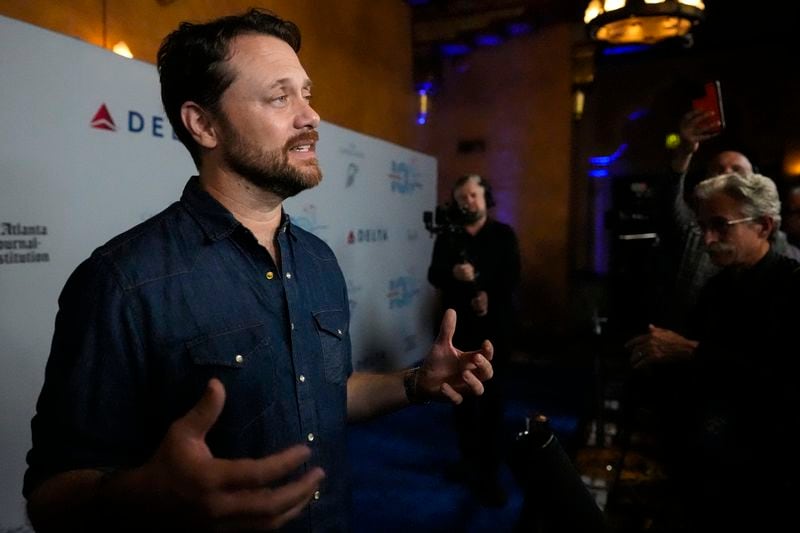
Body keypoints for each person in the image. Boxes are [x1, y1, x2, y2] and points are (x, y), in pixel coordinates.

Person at [23, 9, 495, 532]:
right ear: (203, 124)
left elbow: (322, 393)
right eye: (279, 97)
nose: (311, 116)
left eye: (307, 94)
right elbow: (50, 495)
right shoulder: (121, 282)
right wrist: (142, 496)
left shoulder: (318, 259)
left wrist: (414, 383)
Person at [626, 172, 800, 531]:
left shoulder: (791, 286)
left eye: (720, 226)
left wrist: (691, 350)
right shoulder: (717, 288)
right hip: (710, 465)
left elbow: (782, 382)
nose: (707, 239)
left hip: (769, 472)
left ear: (764, 226)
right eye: (704, 225)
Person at [427, 174, 521, 507]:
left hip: (496, 332)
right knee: (462, 402)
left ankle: (490, 473)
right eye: (462, 197)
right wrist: (453, 274)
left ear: (485, 197)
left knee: (494, 402)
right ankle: (468, 462)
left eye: (473, 195)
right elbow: (433, 274)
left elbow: (512, 276)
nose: (468, 201)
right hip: (459, 333)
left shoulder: (503, 234)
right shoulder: (448, 237)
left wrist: (485, 292)